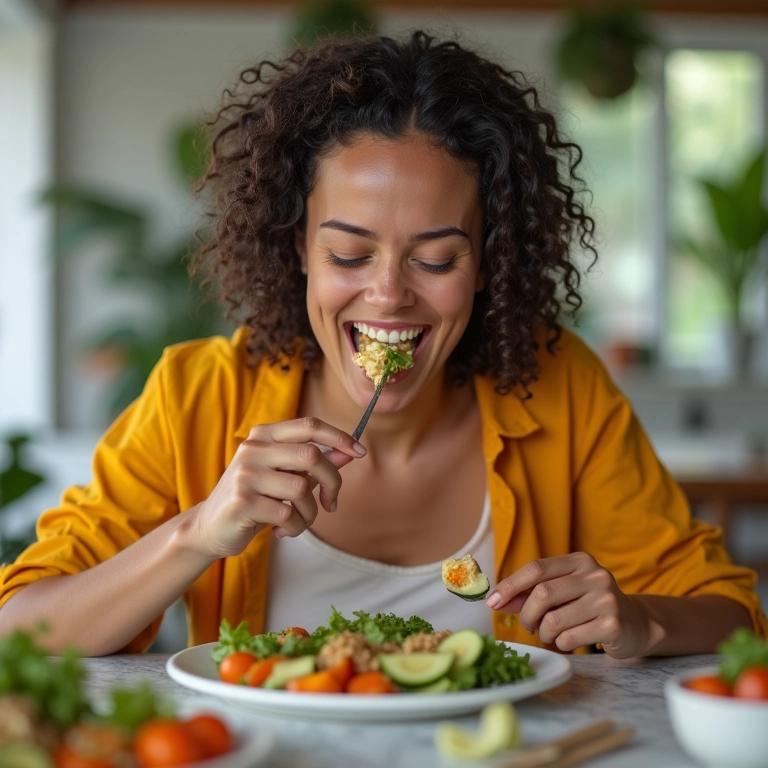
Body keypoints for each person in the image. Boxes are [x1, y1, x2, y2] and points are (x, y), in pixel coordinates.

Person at [0, 31, 764, 658]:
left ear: (488, 261)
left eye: (435, 259)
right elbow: (17, 631)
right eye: (348, 255)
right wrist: (195, 534)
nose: (390, 294)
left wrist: (640, 621)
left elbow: (731, 612)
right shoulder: (198, 394)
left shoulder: (559, 386)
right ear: (297, 245)